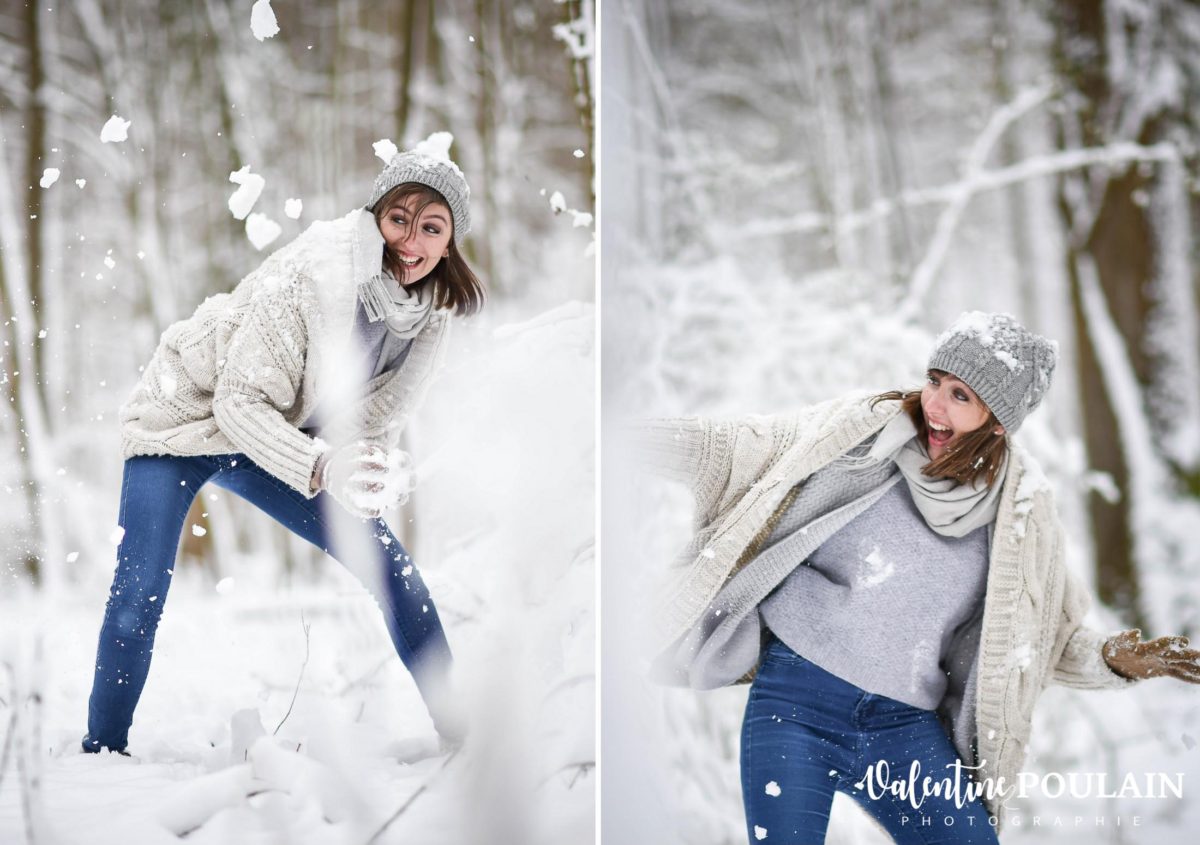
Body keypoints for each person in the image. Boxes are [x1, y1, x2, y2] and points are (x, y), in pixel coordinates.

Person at [638, 312, 1200, 844]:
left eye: (961, 396)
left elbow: (1039, 638)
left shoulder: (1021, 518)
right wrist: (618, 432)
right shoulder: (862, 440)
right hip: (796, 704)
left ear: (998, 422)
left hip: (902, 731)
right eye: (935, 381)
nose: (934, 404)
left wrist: (1113, 660)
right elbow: (736, 447)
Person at [83, 133, 484, 755]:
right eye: (399, 219)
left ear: (451, 240)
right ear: (375, 219)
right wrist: (325, 464)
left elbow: (376, 420)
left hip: (271, 440)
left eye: (432, 227)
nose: (412, 241)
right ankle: (101, 756)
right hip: (182, 419)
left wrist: (371, 473)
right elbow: (235, 403)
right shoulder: (316, 271)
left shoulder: (430, 317)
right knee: (139, 591)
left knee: (392, 570)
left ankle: (467, 741)